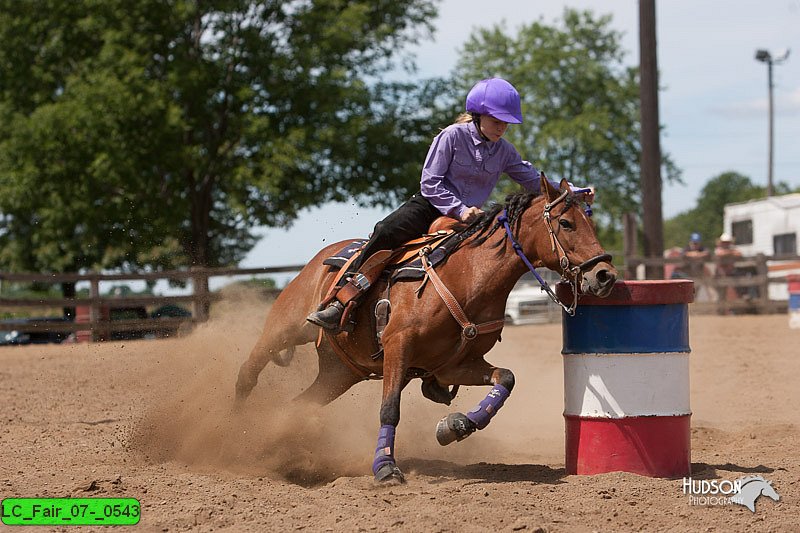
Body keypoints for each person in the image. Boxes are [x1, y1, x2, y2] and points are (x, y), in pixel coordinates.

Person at [307, 77, 593, 331]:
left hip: (471, 222)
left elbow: (534, 181)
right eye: (497, 121)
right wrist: (459, 209)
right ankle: (343, 298)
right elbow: (430, 183)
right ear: (478, 115)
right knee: (386, 231)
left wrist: (577, 193)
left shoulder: (504, 151)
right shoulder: (451, 137)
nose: (502, 128)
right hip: (432, 206)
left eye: (506, 123)